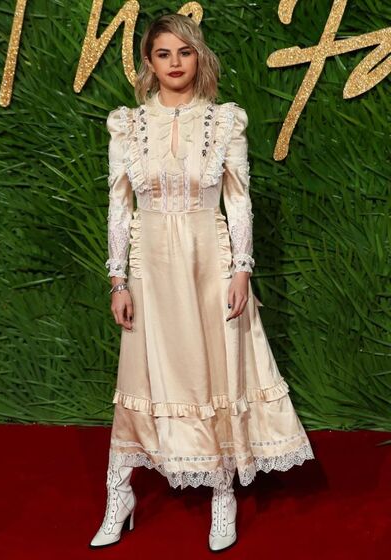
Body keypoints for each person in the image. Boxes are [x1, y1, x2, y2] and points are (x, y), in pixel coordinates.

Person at [89, 13, 315, 553]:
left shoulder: (225, 122)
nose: (174, 63)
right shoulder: (126, 125)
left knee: (213, 371)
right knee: (141, 375)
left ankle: (222, 493)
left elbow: (238, 200)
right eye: (163, 53)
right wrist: (118, 280)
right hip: (149, 268)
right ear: (149, 62)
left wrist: (242, 270)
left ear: (199, 57)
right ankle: (119, 494)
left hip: (209, 262)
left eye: (184, 52)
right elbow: (119, 207)